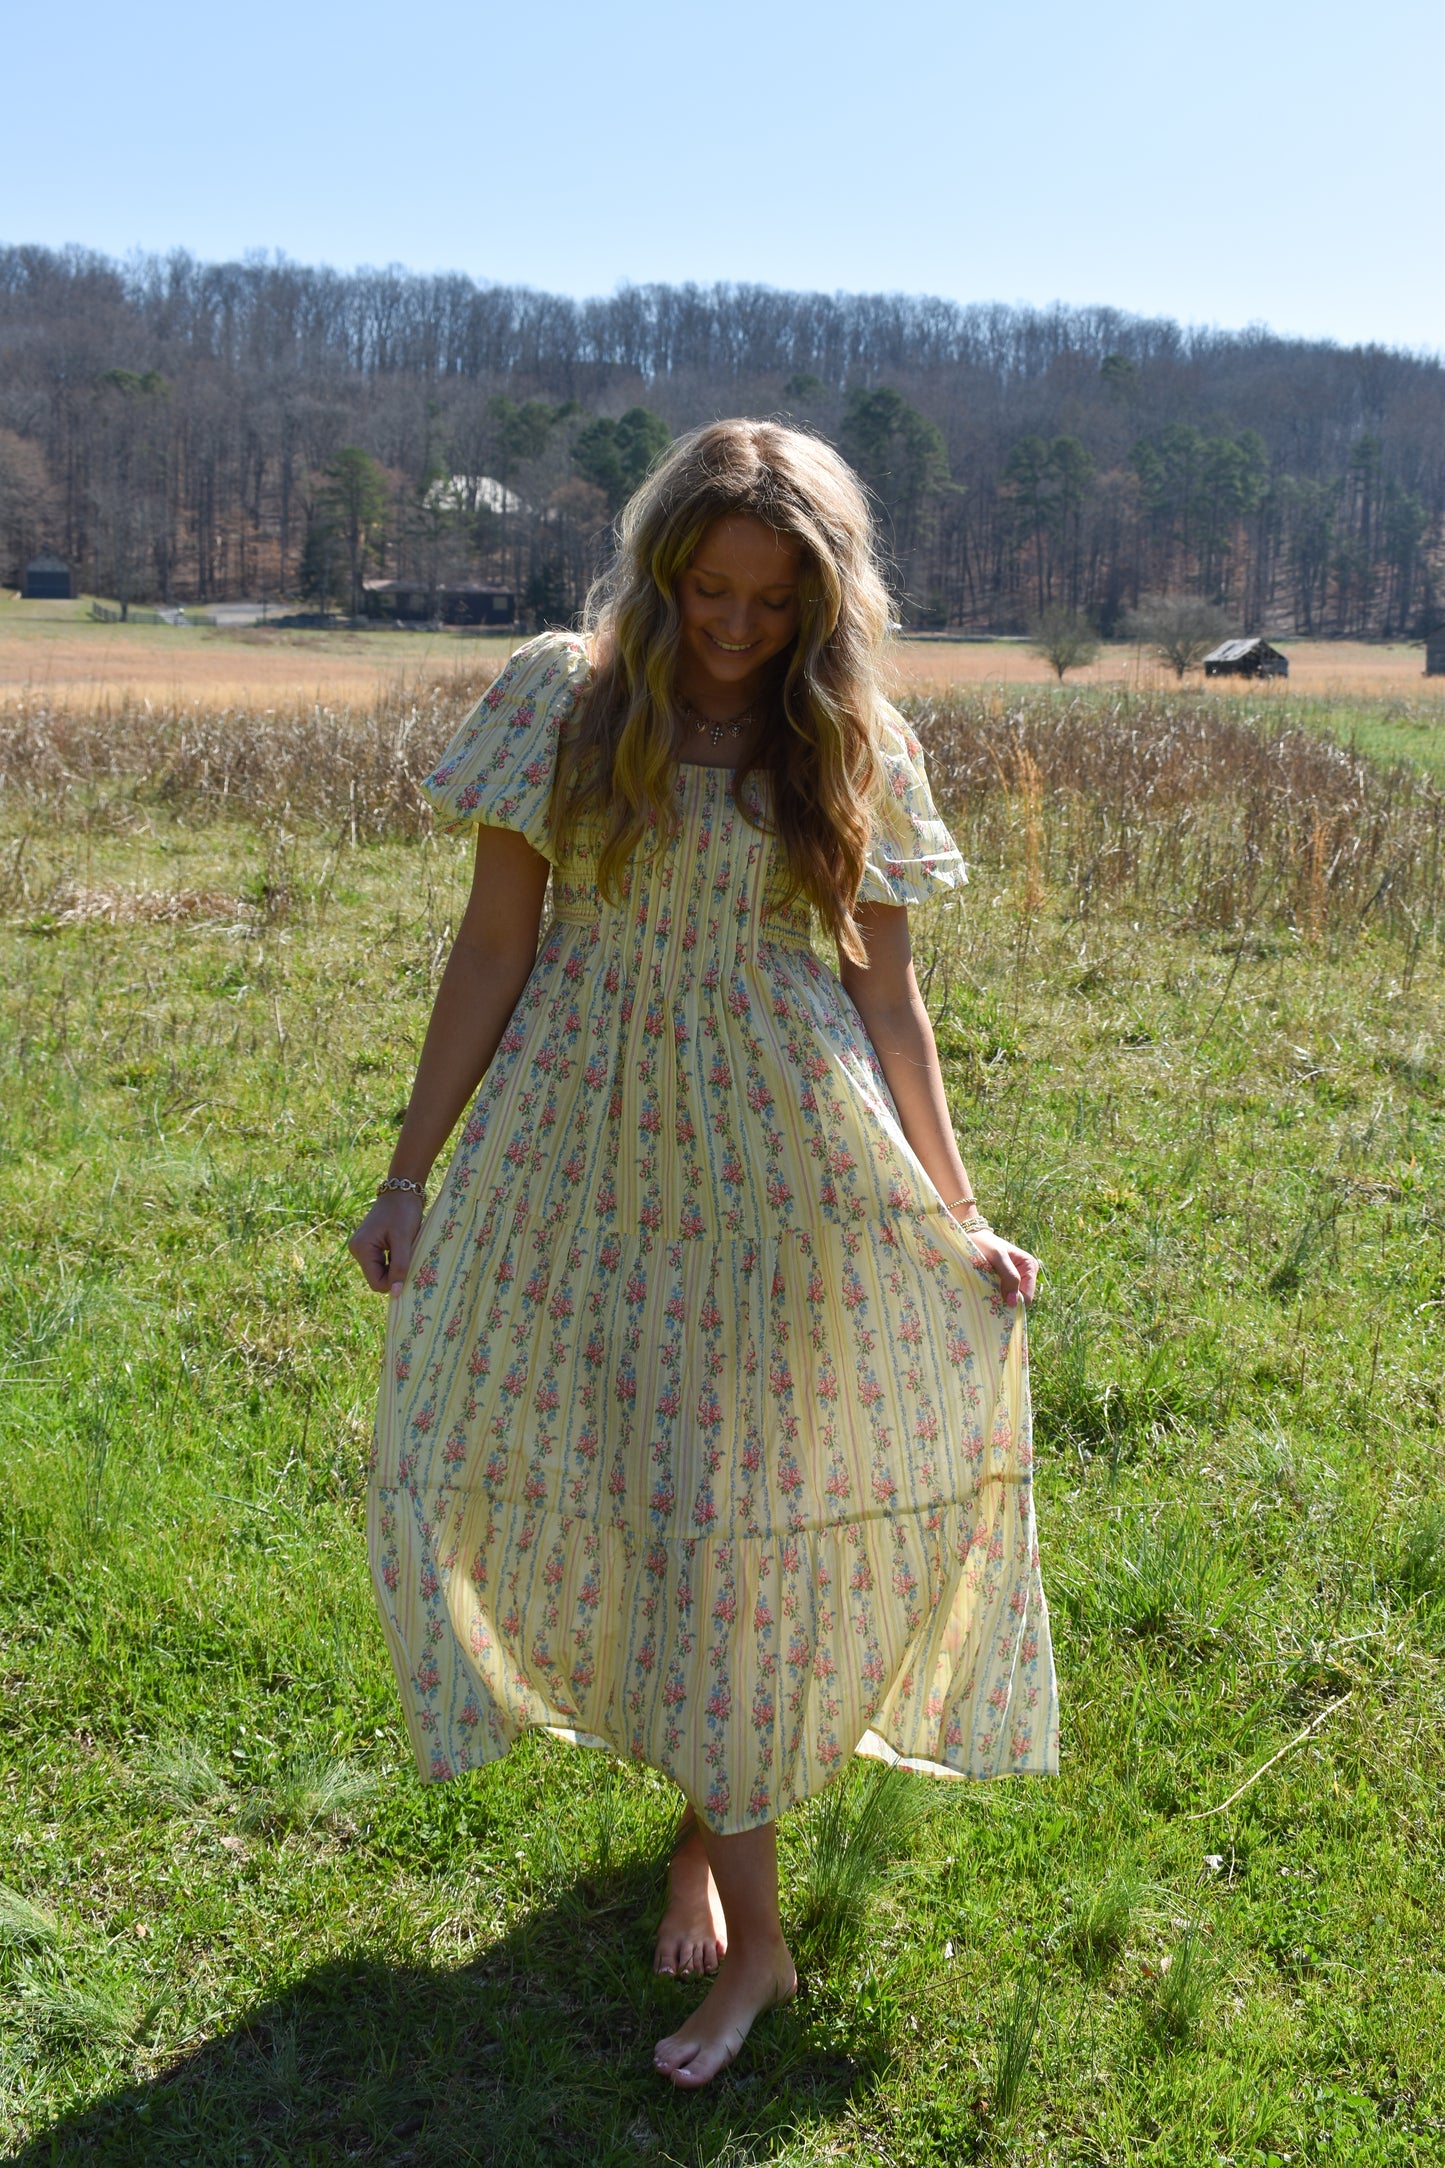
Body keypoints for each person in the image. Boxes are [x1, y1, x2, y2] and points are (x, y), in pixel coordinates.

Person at [348, 419, 1057, 2089]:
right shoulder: (560, 696)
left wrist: (956, 1212)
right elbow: (493, 946)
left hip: (779, 1159)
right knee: (648, 1501)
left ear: (824, 597)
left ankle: (757, 1941)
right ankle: (703, 1839)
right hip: (579, 1153)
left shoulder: (851, 734)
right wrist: (406, 1174)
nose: (736, 625)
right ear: (658, 568)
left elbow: (887, 997)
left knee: (729, 1522)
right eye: (707, 588)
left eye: (774, 597)